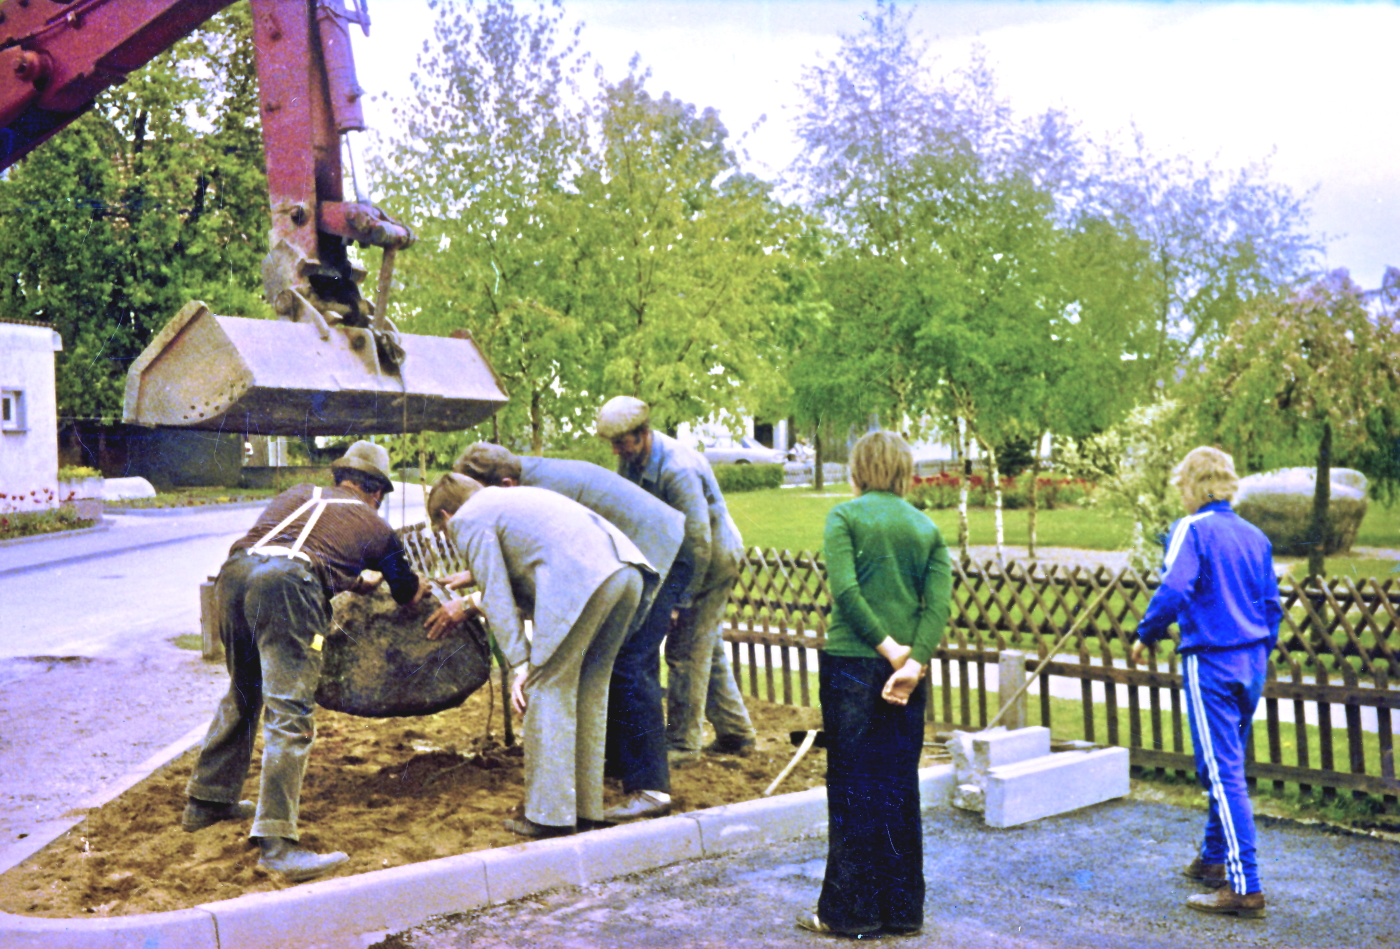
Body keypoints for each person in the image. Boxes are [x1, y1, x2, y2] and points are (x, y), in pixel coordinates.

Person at [184, 441, 426, 882]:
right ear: (376, 492)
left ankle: (206, 801)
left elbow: (292, 545)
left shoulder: (298, 493)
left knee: (243, 691)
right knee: (290, 712)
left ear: (340, 479)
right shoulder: (375, 524)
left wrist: (352, 579)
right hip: (289, 587)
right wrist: (419, 588)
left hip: (234, 576)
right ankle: (277, 844)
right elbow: (407, 593)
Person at [447, 443, 686, 822]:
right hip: (628, 568)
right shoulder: (525, 492)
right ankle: (586, 808)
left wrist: (521, 664)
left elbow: (502, 593)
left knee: (551, 685)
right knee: (591, 686)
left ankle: (551, 816)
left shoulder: (471, 513)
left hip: (646, 550)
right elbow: (541, 550)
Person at [796, 430, 951, 938]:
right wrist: (913, 661)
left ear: (859, 470)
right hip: (909, 671)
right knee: (898, 786)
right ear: (905, 470)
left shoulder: (844, 517)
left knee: (851, 787)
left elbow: (845, 589)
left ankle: (850, 913)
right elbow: (937, 607)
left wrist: (885, 649)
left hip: (852, 665)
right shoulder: (926, 528)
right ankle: (903, 911)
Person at [1131, 446, 1282, 919]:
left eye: (1181, 486)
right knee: (1228, 763)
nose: (1181, 496)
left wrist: (1146, 633)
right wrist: (1259, 649)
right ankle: (1214, 860)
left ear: (1193, 486)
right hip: (1252, 660)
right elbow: (1272, 605)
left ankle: (1245, 885)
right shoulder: (1255, 535)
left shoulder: (1192, 529)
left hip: (1211, 661)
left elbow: (1174, 588)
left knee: (1219, 771)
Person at [595, 396, 757, 765]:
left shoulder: (678, 469)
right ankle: (736, 732)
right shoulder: (631, 461)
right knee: (705, 646)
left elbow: (698, 541)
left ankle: (683, 743)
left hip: (712, 559)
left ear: (643, 433)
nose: (617, 451)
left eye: (623, 443)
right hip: (685, 556)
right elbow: (631, 513)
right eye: (613, 444)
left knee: (685, 651)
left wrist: (680, 600)